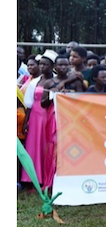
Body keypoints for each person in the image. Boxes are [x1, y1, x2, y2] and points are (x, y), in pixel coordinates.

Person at [21, 52, 64, 191]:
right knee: (34, 146)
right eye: (41, 64)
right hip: (35, 117)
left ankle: (47, 177)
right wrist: (26, 121)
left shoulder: (56, 81)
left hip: (50, 116)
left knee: (48, 146)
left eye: (46, 64)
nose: (42, 66)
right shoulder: (35, 81)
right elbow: (29, 103)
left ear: (52, 66)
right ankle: (32, 178)